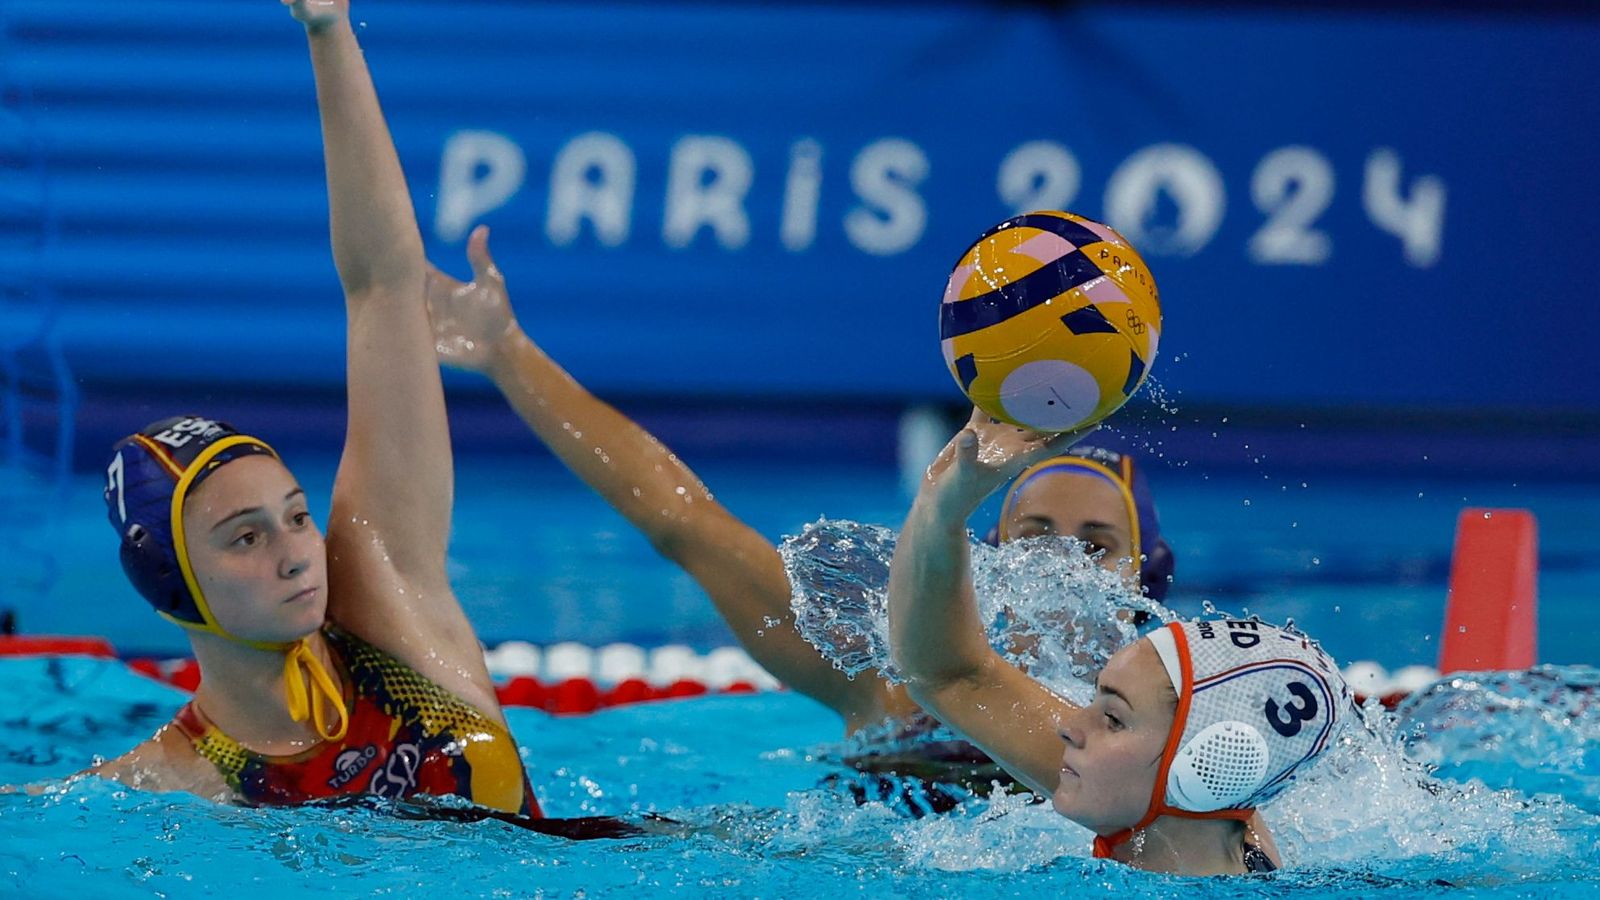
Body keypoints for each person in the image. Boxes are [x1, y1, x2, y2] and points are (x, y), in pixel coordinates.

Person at [422, 229, 1175, 808]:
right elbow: (685, 521)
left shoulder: (1175, 753)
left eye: (1097, 546)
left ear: (1144, 583)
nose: (1061, 562)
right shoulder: (886, 693)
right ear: (992, 557)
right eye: (1035, 534)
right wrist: (506, 353)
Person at [80, 0, 539, 818]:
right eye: (246, 538)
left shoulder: (386, 597)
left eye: (296, 516)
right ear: (170, 583)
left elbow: (383, 285)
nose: (298, 555)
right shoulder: (171, 788)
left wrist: (327, 32)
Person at [887, 412, 1350, 874]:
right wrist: (940, 506)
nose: (1068, 726)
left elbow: (951, 674)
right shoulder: (1181, 806)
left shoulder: (1142, 797)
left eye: (1112, 717)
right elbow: (952, 673)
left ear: (1206, 765)